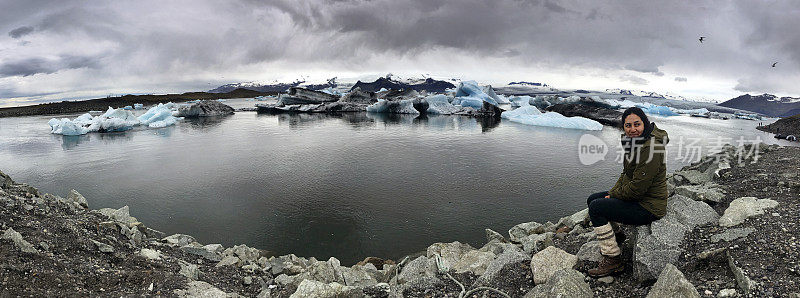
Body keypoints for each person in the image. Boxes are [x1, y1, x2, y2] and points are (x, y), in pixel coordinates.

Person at [586, 107, 669, 277]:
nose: (632, 129)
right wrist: (613, 192)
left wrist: (615, 195)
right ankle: (616, 237)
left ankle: (613, 260)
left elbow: (637, 189)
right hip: (641, 198)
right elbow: (626, 174)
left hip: (649, 206)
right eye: (628, 125)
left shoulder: (651, 147)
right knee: (593, 199)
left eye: (637, 124)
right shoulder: (635, 142)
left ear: (645, 124)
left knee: (596, 208)